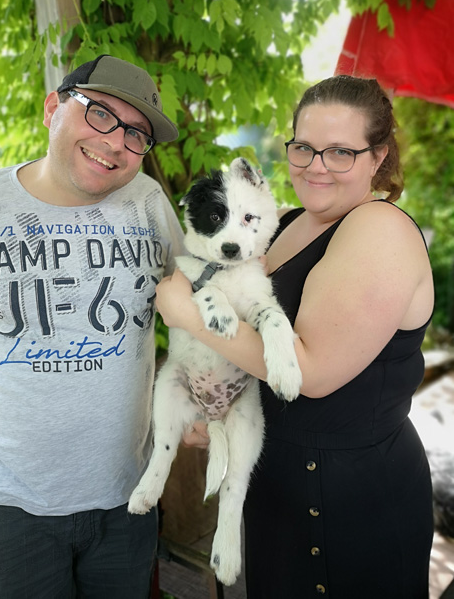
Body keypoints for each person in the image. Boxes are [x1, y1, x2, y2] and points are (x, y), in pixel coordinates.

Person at [155, 75, 435, 598]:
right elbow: (251, 340)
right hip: (276, 480)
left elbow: (312, 373)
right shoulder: (285, 224)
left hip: (349, 497)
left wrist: (189, 317)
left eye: (341, 152)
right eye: (303, 147)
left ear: (378, 156)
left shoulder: (380, 230)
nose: (315, 166)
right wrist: (216, 410)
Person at [0, 54, 185, 598]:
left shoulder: (148, 202)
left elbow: (194, 307)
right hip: (9, 508)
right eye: (100, 113)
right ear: (52, 108)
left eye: (136, 135)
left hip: (126, 501)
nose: (115, 143)